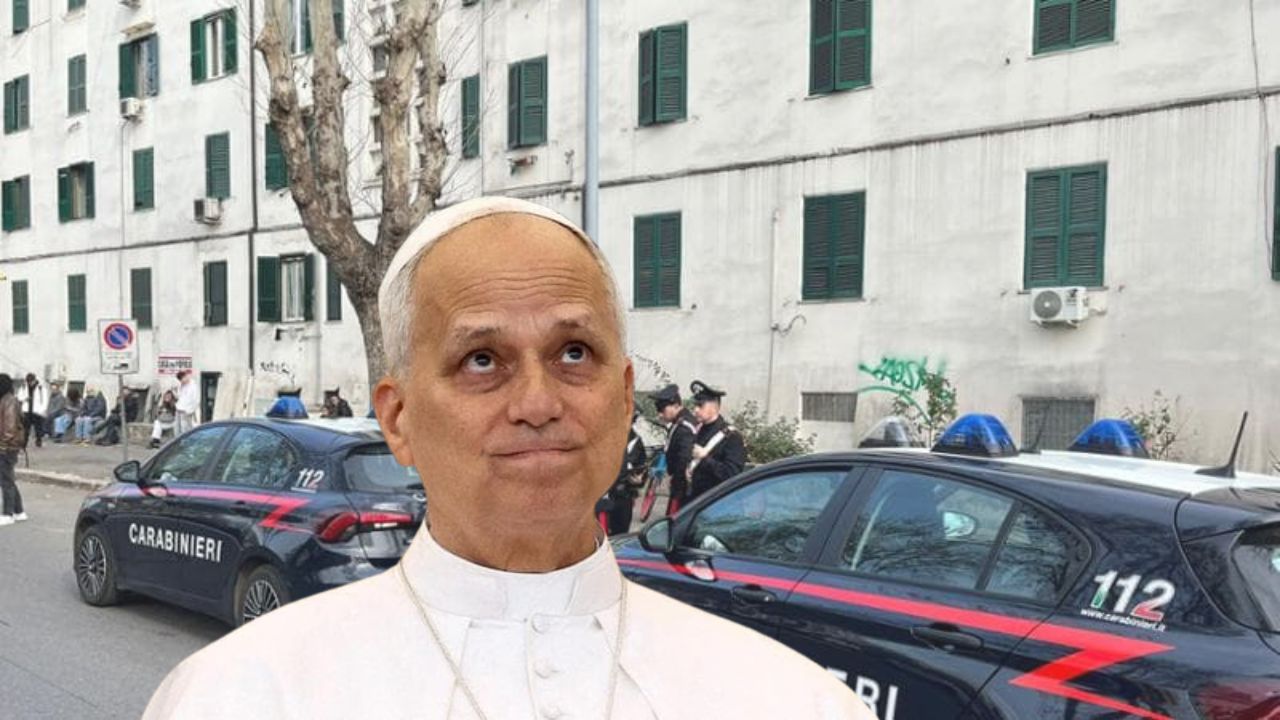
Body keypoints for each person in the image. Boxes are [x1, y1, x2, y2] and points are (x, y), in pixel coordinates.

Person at [143, 197, 869, 719]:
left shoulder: (790, 700)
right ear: (398, 419)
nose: (537, 402)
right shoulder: (243, 694)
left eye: (573, 353)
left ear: (624, 401)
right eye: (482, 359)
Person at [687, 380, 748, 501]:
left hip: (716, 502)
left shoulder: (732, 436)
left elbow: (732, 475)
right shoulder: (698, 430)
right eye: (695, 405)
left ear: (714, 406)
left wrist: (705, 458)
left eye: (700, 405)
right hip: (694, 500)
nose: (696, 410)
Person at [649, 383, 697, 516]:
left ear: (675, 405)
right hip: (678, 485)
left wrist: (675, 482)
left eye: (662, 410)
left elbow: (684, 458)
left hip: (682, 488)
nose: (660, 415)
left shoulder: (685, 426)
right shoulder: (679, 422)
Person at [597, 411, 647, 535]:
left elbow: (642, 466)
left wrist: (639, 480)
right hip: (604, 496)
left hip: (624, 495)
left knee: (621, 535)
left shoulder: (636, 441)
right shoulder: (603, 439)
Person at [0, 373, 27, 526]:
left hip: (7, 446)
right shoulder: (7, 399)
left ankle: (8, 513)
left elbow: (9, 428)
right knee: (7, 478)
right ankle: (19, 511)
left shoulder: (8, 401)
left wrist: (3, 444)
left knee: (6, 480)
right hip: (9, 445)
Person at [17, 373, 47, 448]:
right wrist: (25, 399)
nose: (29, 383)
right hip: (27, 411)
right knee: (26, 428)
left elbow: (45, 400)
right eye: (28, 381)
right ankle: (24, 443)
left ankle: (38, 440)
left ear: (34, 380)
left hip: (37, 411)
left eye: (31, 381)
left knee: (38, 428)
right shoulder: (23, 387)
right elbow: (19, 397)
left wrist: (42, 409)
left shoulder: (41, 388)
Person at [175, 370, 201, 434]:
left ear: (186, 376)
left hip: (186, 411)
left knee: (185, 429)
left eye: (182, 378)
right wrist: (180, 387)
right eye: (180, 380)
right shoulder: (182, 385)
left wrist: (189, 411)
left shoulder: (193, 386)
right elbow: (179, 397)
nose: (182, 381)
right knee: (177, 428)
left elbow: (196, 400)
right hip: (179, 409)